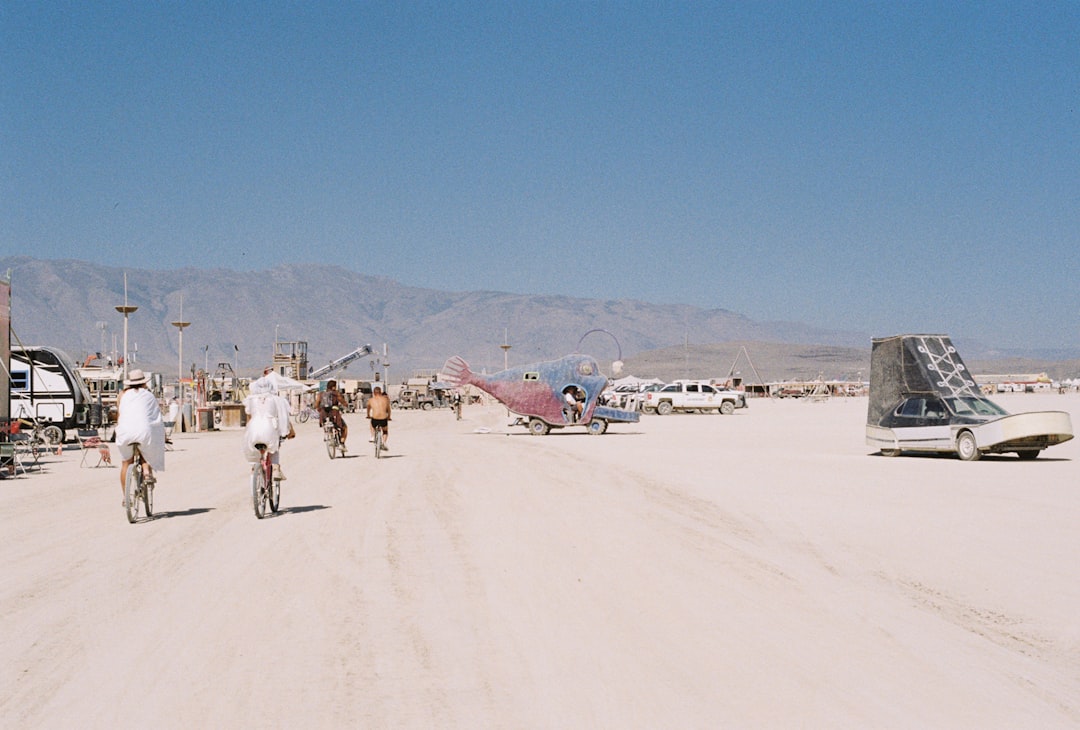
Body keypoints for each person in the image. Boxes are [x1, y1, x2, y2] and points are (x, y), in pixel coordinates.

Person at [114, 369, 166, 505]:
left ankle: (126, 498)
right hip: (144, 431)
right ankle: (147, 471)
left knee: (126, 463)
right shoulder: (148, 395)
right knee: (147, 449)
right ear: (143, 383)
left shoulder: (122, 395)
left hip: (125, 431)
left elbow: (120, 415)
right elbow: (156, 418)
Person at [242, 375, 295, 480]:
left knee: (255, 449)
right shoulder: (276, 400)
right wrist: (290, 431)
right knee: (274, 447)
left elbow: (249, 418)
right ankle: (275, 468)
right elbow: (283, 417)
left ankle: (254, 467)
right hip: (269, 428)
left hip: (254, 429)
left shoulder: (250, 400)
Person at [318, 379, 348, 452]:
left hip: (323, 413)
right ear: (333, 387)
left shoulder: (321, 394)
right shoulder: (336, 393)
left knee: (326, 423)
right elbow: (343, 402)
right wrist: (346, 405)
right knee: (344, 428)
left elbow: (316, 404)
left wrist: (319, 410)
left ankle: (327, 433)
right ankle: (341, 443)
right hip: (334, 413)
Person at [366, 385, 391, 450]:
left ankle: (372, 436)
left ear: (374, 393)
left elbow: (368, 409)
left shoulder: (371, 400)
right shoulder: (385, 400)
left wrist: (368, 415)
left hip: (375, 419)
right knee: (385, 431)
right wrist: (389, 417)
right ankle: (384, 442)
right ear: (381, 392)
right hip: (383, 419)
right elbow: (388, 410)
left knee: (371, 424)